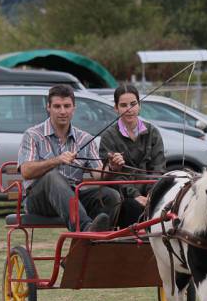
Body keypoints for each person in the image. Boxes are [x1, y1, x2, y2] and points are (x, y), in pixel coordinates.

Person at [18, 85, 125, 232]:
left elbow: (98, 175)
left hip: (74, 198)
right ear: (48, 107)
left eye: (67, 106)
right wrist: (57, 160)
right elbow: (26, 171)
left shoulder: (85, 138)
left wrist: (112, 167)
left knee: (111, 196)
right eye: (57, 106)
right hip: (39, 201)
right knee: (52, 177)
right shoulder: (33, 135)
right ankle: (86, 229)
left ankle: (101, 241)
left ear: (74, 108)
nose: (62, 111)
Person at [99, 84, 166, 227]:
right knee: (133, 208)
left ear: (139, 106)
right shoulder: (108, 137)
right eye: (123, 105)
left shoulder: (153, 132)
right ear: (116, 108)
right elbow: (114, 176)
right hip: (123, 196)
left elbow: (158, 168)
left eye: (133, 104)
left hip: (152, 193)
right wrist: (135, 195)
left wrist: (151, 195)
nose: (129, 109)